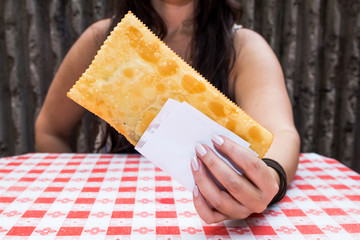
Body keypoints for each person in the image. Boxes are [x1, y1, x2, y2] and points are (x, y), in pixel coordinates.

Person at [35, 0, 300, 223]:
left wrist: (269, 178)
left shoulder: (242, 47)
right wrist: (76, 198)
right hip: (113, 216)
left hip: (206, 223)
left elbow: (281, 133)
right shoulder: (101, 40)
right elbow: (49, 129)